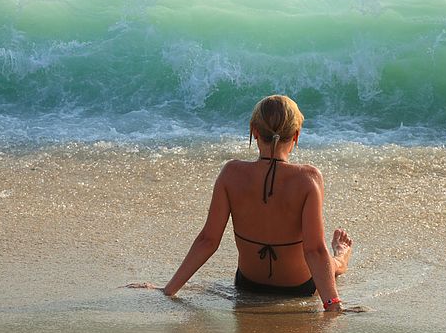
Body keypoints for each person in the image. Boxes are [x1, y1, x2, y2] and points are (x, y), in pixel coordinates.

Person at [128, 95, 353, 312]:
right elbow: (314, 250)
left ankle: (339, 258)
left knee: (326, 263)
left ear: (254, 131)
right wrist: (332, 303)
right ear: (296, 135)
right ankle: (340, 257)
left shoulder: (231, 174)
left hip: (248, 284)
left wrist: (168, 290)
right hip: (299, 288)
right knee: (330, 265)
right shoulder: (308, 178)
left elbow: (208, 240)